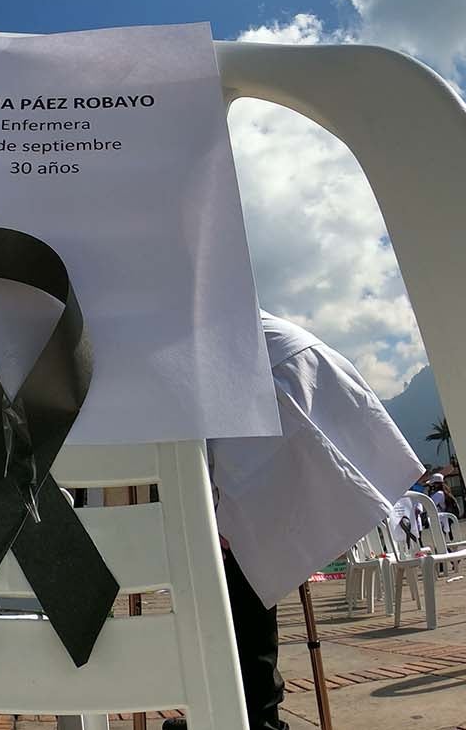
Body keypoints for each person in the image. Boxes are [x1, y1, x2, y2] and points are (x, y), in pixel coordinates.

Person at [165, 312, 423, 730]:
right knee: (241, 565)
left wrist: (220, 500)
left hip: (263, 390)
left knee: (241, 561)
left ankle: (254, 714)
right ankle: (246, 709)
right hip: (265, 382)